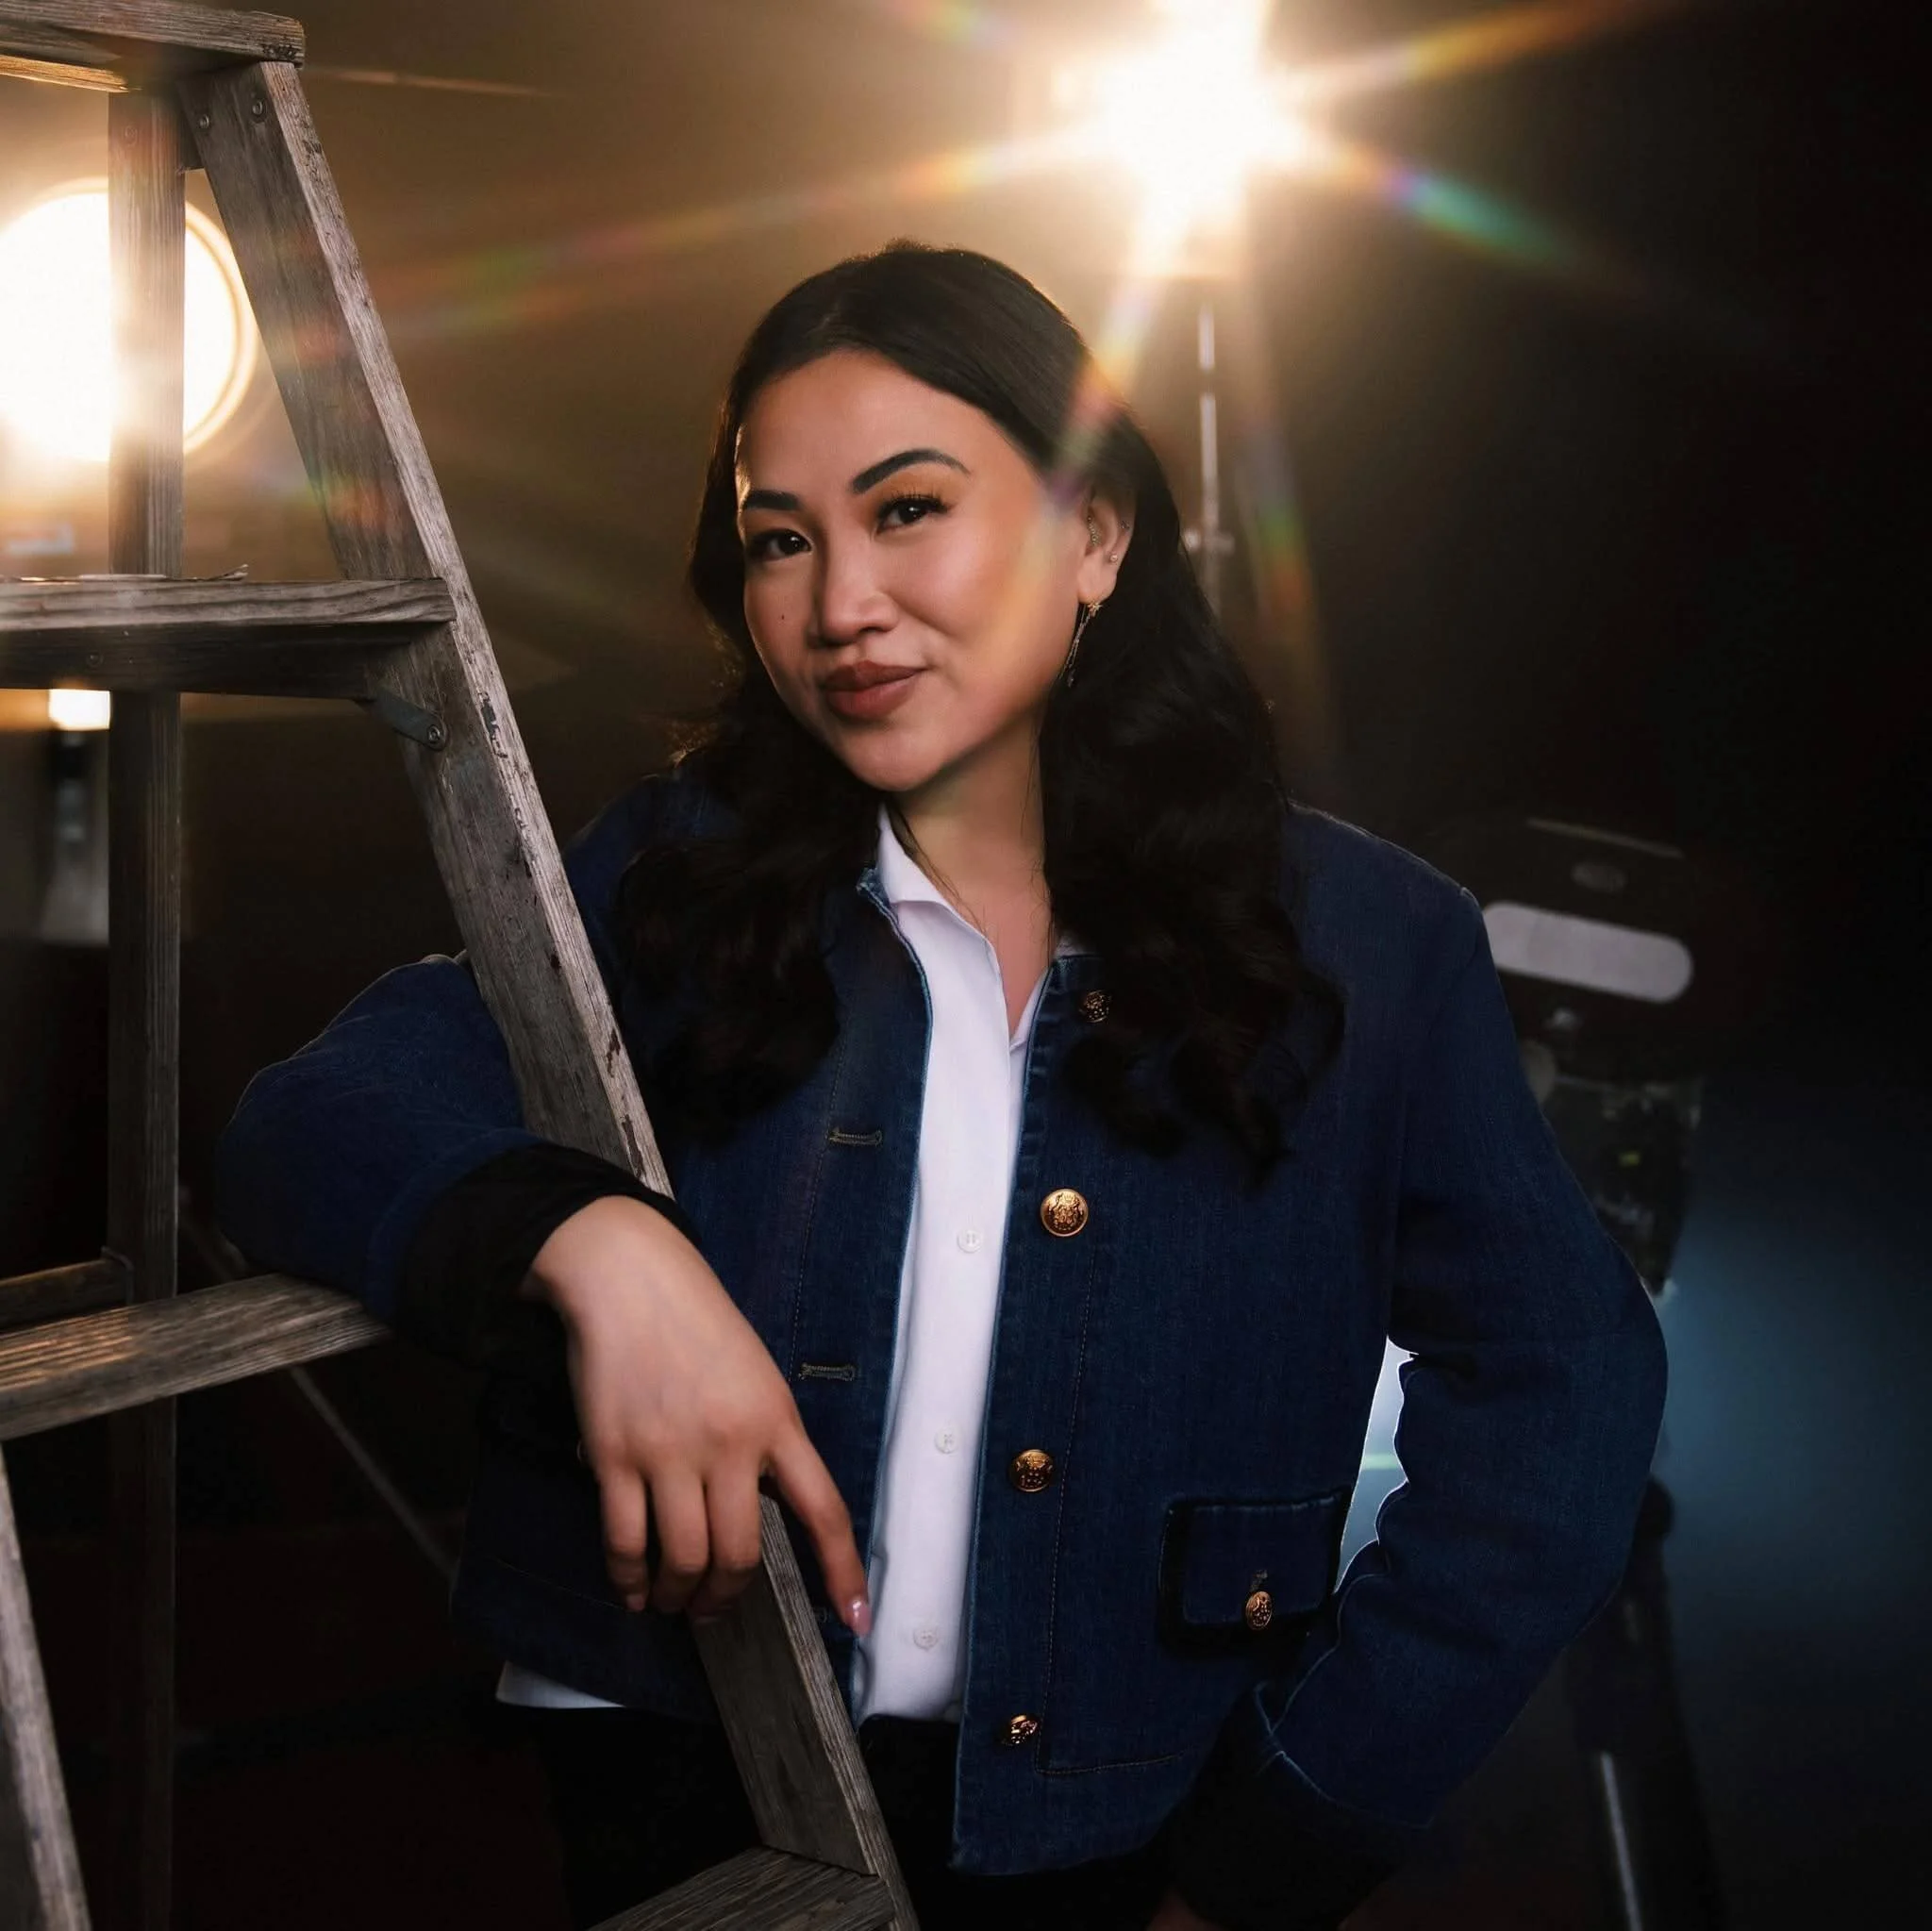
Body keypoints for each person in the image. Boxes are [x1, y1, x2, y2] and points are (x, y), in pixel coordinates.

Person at [214, 241, 1667, 1931]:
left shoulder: (1372, 943)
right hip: (680, 1785)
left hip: (1138, 1829)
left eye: (909, 509)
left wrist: (1287, 1839)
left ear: (1098, 535)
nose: (838, 607)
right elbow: (303, 1118)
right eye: (781, 540)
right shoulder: (668, 881)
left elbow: (1566, 1397)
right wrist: (600, 1244)